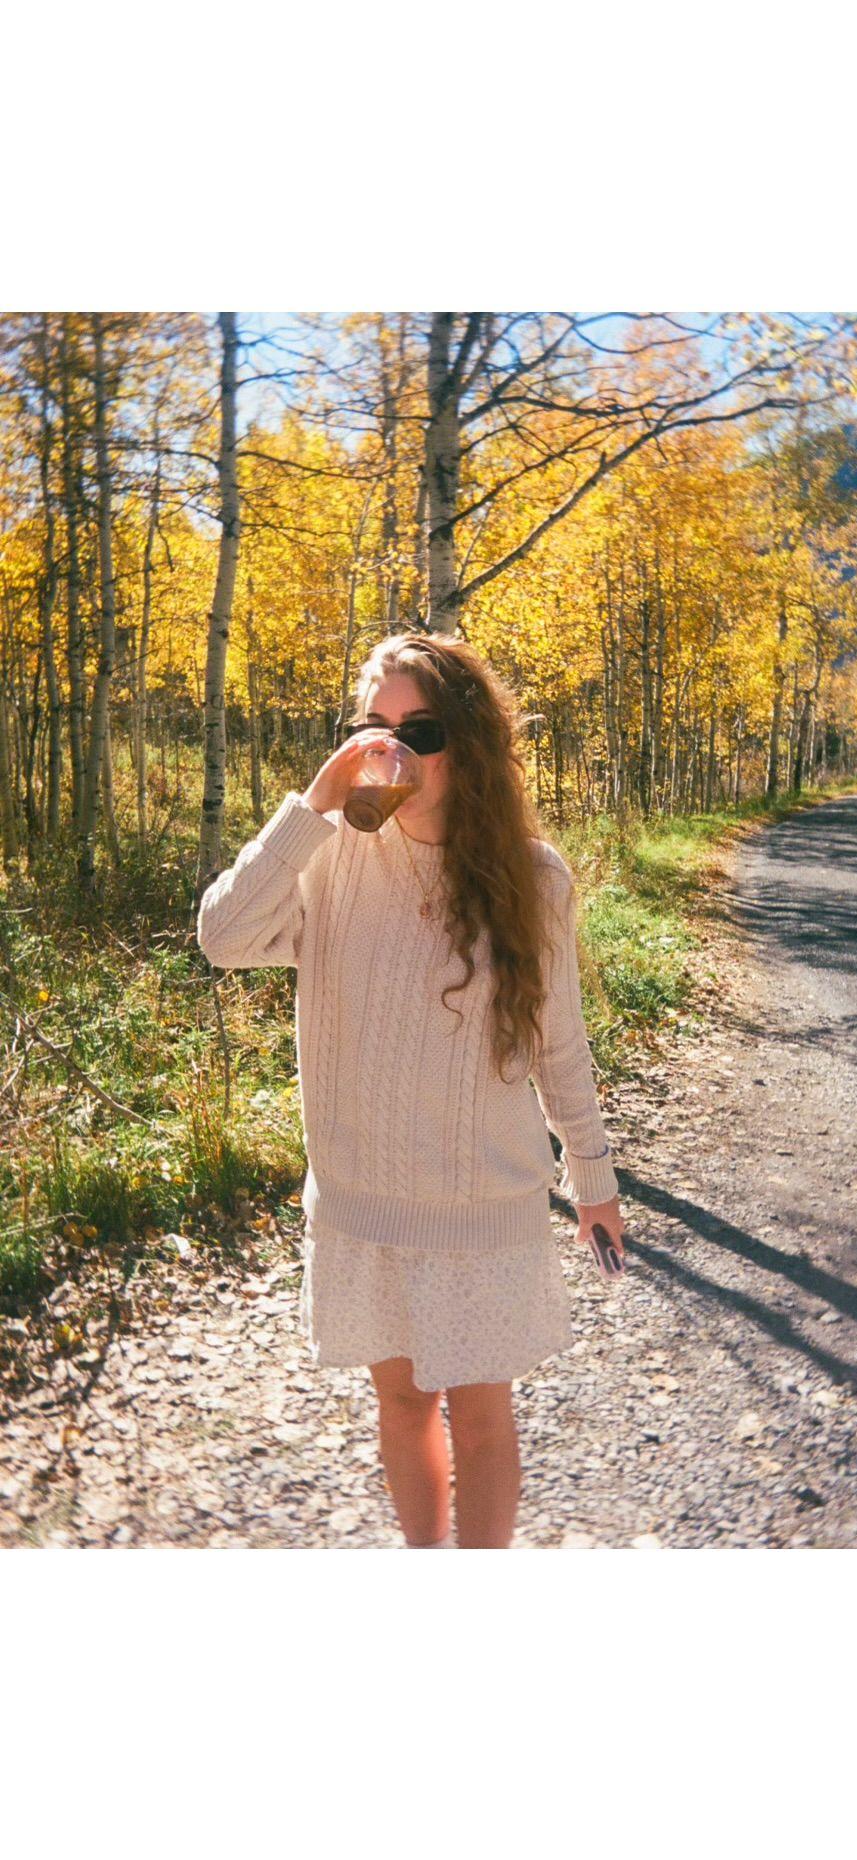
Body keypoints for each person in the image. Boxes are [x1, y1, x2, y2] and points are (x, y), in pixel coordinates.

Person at [196, 632, 628, 1548]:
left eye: (420, 730)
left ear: (466, 744)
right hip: (365, 1206)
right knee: (401, 1404)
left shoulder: (533, 878)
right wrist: (316, 801)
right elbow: (224, 937)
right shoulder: (327, 858)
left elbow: (560, 1044)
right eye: (371, 729)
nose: (391, 750)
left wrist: (593, 1179)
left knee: (479, 1417)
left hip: (480, 1206)